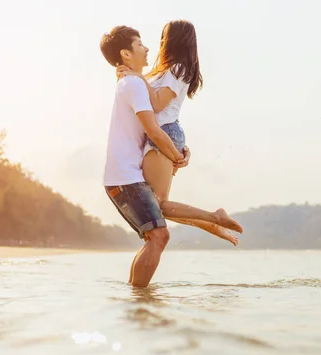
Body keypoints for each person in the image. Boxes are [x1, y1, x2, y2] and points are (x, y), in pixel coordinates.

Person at [99, 26, 241, 287]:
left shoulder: (168, 71)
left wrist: (177, 153)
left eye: (160, 39)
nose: (151, 46)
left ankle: (138, 303)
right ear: (126, 54)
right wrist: (178, 154)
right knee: (159, 224)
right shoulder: (139, 80)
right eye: (141, 44)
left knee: (158, 225)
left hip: (157, 144)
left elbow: (155, 108)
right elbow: (150, 117)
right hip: (136, 163)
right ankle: (213, 220)